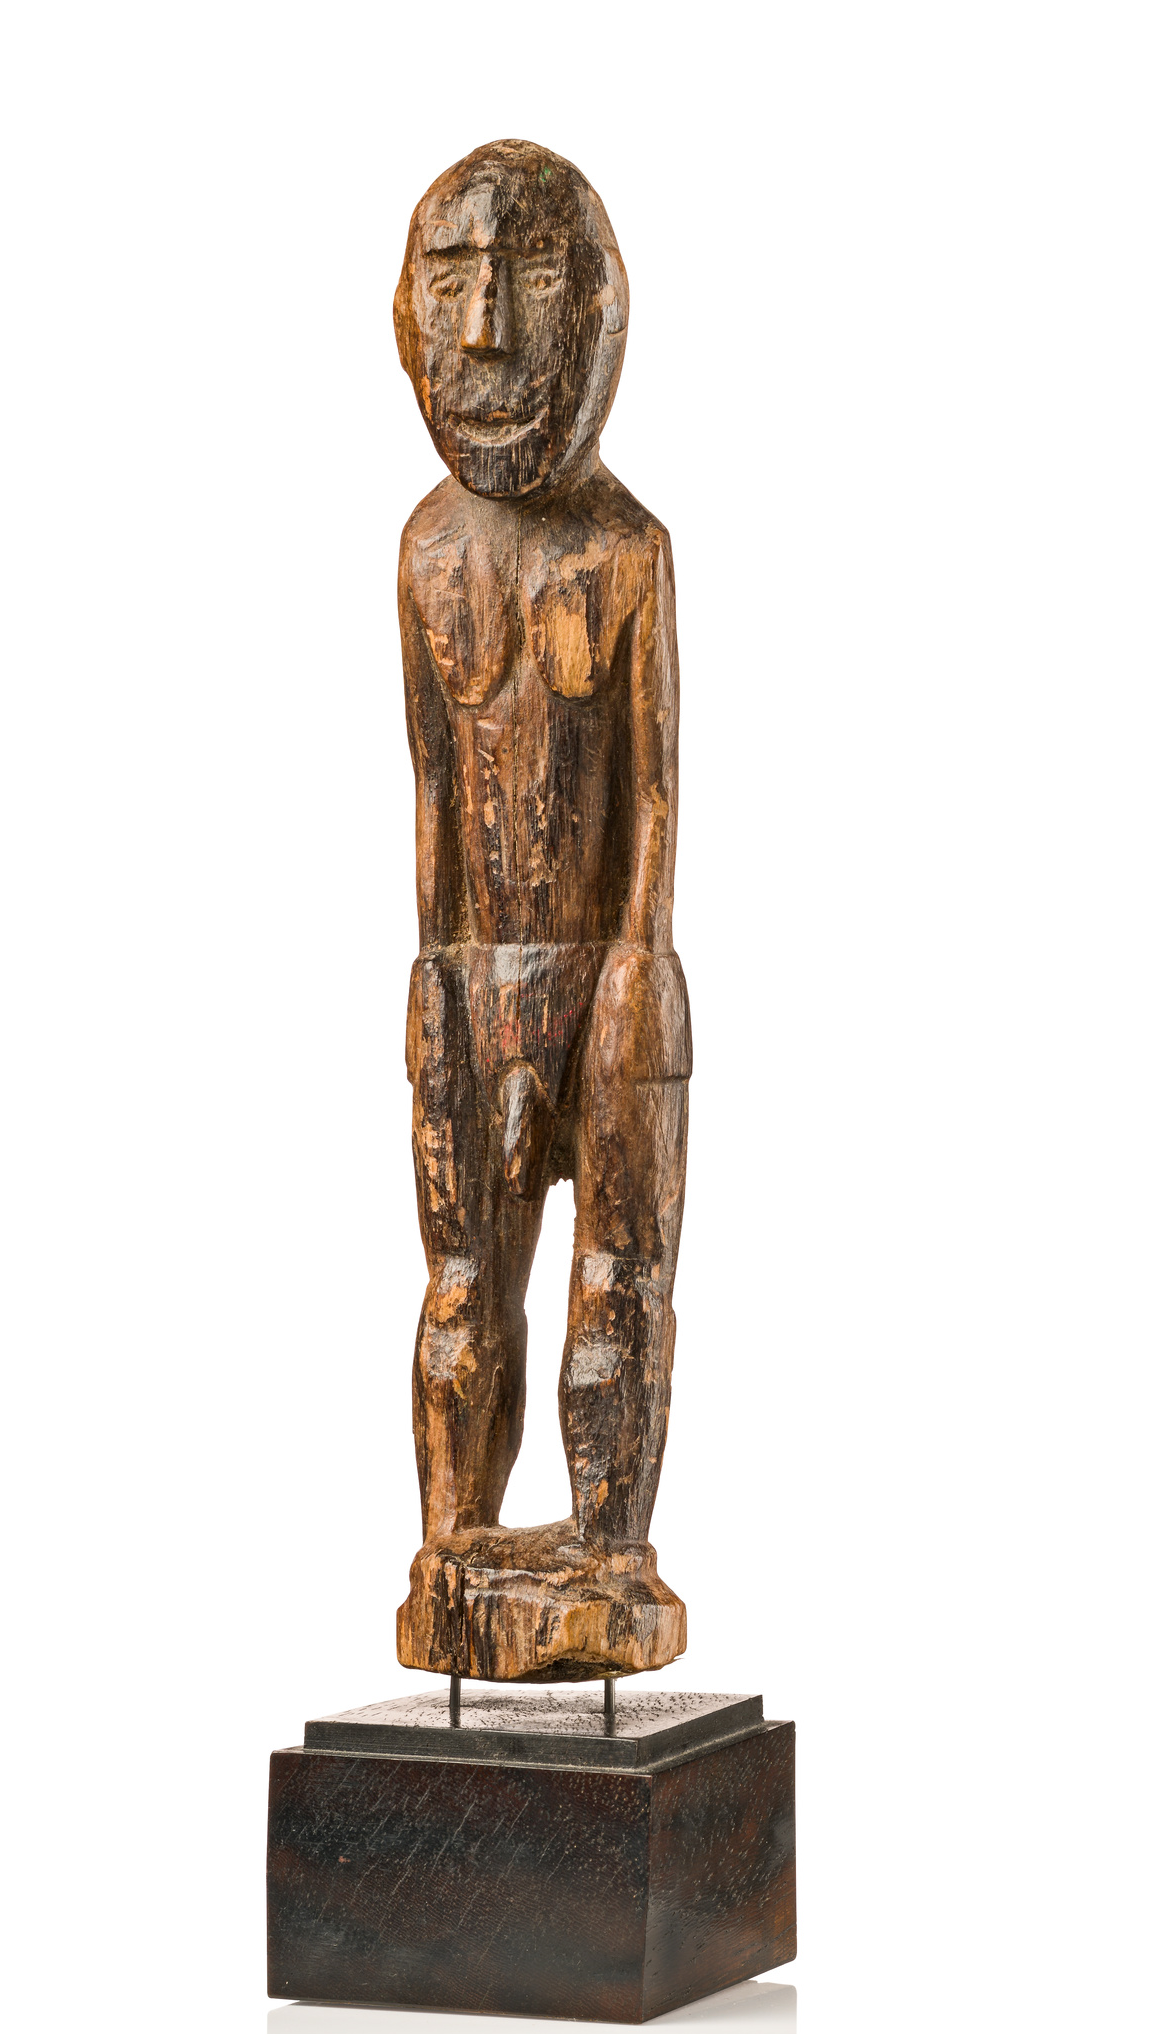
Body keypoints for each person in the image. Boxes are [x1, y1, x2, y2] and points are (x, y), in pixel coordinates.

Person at [394, 140, 690, 1677]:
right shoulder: (427, 554)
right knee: (461, 1284)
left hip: (612, 976)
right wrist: (434, 984)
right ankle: (452, 1543)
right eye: (453, 280)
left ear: (592, 305)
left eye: (524, 278)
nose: (488, 328)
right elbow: (433, 795)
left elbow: (651, 803)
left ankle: (607, 1546)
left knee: (616, 1280)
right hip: (466, 975)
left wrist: (635, 980)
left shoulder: (623, 553)